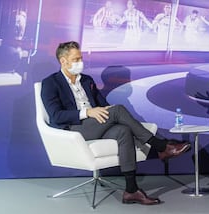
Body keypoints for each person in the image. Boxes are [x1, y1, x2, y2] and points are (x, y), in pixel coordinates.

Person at [41, 41, 191, 205]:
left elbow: (104, 105)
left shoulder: (86, 80)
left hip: (96, 124)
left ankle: (131, 191)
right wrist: (87, 112)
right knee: (118, 110)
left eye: (81, 58)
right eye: (76, 59)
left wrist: (104, 111)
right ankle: (161, 147)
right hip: (75, 129)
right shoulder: (50, 83)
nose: (80, 62)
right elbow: (56, 116)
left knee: (123, 131)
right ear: (63, 61)